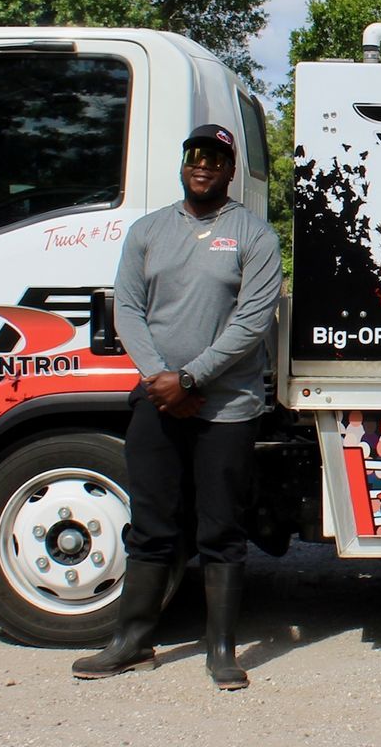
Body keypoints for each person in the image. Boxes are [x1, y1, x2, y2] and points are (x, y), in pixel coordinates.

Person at [72, 124, 282, 690]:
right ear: (183, 163)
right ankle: (132, 641)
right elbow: (130, 312)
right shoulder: (147, 231)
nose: (205, 166)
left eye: (216, 158)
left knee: (221, 529)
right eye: (196, 156)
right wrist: (160, 379)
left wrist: (191, 378)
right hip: (158, 401)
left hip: (227, 406)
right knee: (151, 525)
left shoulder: (254, 236)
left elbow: (252, 321)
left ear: (230, 169)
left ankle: (220, 650)